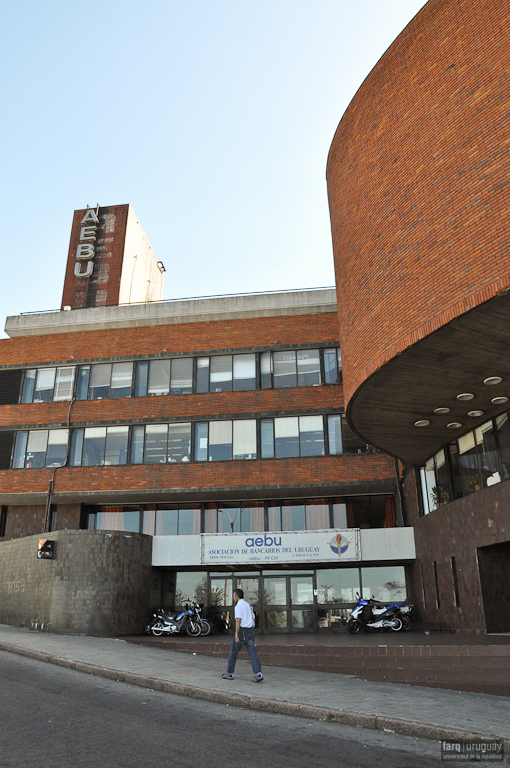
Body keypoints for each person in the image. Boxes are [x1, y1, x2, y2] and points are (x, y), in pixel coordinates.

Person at [222, 588, 263, 682]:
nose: (233, 598)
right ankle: (258, 673)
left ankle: (229, 673)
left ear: (237, 596)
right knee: (252, 653)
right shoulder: (248, 605)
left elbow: (238, 620)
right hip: (250, 631)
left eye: (233, 596)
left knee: (233, 653)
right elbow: (253, 618)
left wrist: (236, 634)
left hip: (242, 631)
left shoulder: (238, 606)